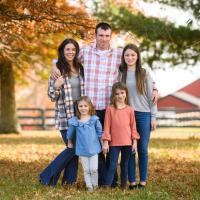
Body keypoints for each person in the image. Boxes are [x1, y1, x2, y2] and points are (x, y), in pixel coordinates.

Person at [51, 22, 158, 185]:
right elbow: (68, 57)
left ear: (111, 36)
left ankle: (112, 180)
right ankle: (105, 179)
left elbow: (136, 67)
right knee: (95, 146)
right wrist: (54, 65)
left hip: (111, 108)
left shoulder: (118, 54)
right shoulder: (86, 51)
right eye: (100, 35)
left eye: (107, 36)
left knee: (112, 145)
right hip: (91, 109)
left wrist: (155, 86)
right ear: (95, 35)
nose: (103, 39)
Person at [39, 38, 85, 186]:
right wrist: (57, 86)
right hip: (65, 117)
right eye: (67, 49)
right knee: (73, 148)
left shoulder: (81, 68)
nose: (71, 52)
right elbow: (52, 96)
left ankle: (68, 182)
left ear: (76, 52)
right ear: (62, 51)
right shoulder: (57, 70)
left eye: (73, 49)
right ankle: (46, 176)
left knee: (75, 150)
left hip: (82, 116)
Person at [119, 43, 157, 189]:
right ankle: (132, 181)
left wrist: (153, 116)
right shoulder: (120, 73)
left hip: (143, 114)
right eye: (127, 55)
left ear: (137, 56)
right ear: (123, 56)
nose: (130, 57)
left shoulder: (144, 73)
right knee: (129, 149)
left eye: (133, 55)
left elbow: (151, 97)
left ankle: (143, 180)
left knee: (142, 149)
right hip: (126, 115)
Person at [102, 82, 140, 190]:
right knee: (112, 165)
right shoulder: (110, 109)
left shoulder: (130, 109)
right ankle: (107, 187)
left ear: (126, 93)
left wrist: (135, 142)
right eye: (117, 93)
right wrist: (105, 142)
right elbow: (107, 127)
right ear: (113, 95)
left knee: (125, 165)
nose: (120, 96)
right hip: (114, 143)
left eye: (122, 93)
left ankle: (123, 187)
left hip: (127, 143)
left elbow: (133, 127)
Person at [67, 96, 103, 192]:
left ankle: (95, 185)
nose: (83, 108)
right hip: (82, 149)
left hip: (94, 148)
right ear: (77, 108)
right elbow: (70, 133)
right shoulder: (75, 121)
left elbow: (100, 132)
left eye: (85, 106)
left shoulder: (94, 119)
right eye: (80, 106)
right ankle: (89, 187)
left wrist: (103, 144)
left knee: (94, 169)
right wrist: (69, 142)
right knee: (86, 170)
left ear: (90, 107)